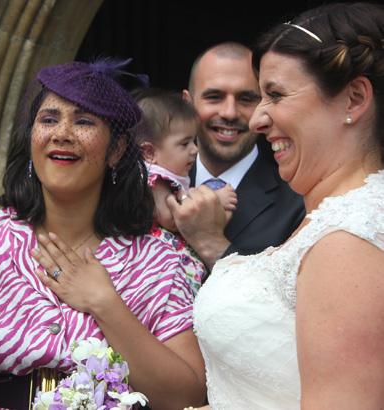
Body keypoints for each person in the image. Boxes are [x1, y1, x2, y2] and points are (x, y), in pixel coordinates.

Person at [0, 58, 206, 410]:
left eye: (84, 121)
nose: (62, 133)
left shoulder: (158, 261)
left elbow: (187, 397)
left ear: (116, 149)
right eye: (48, 119)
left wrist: (105, 303)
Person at [188, 2, 384, 408]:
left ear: (353, 99)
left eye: (275, 94)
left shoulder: (351, 240)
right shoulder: (335, 219)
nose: (257, 120)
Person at [170, 42, 305, 271]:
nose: (229, 113)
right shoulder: (153, 185)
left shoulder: (298, 203)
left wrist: (211, 242)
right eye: (214, 97)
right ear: (188, 104)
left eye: (245, 99)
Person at [132, 87, 237, 293]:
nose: (195, 149)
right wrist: (214, 199)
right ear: (149, 151)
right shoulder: (155, 179)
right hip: (160, 263)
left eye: (194, 140)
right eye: (184, 144)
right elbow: (170, 218)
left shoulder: (161, 174)